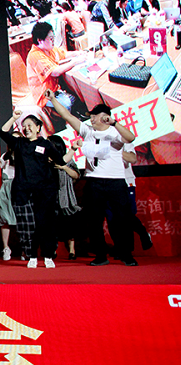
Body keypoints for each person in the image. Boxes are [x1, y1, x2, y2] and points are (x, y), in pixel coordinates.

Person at [48, 92, 138, 266]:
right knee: (94, 221)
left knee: (121, 219)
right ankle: (101, 256)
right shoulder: (87, 131)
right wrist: (52, 99)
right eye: (91, 116)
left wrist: (115, 123)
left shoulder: (115, 132)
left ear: (104, 117)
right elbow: (67, 116)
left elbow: (131, 137)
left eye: (94, 116)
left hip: (116, 181)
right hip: (94, 181)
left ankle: (126, 254)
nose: (92, 118)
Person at [0, 110, 66, 269]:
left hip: (44, 191)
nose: (26, 128)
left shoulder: (45, 144)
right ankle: (31, 255)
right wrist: (14, 117)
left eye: (30, 125)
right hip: (23, 190)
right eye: (24, 126)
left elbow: (60, 160)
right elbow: (3, 132)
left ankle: (48, 255)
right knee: (28, 226)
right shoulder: (19, 143)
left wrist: (74, 150)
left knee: (45, 224)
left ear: (38, 127)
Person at [26, 21, 88, 119]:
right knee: (67, 103)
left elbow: (63, 54)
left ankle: (76, 115)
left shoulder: (48, 49)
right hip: (44, 94)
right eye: (51, 39)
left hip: (55, 88)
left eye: (53, 37)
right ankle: (69, 122)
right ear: (40, 40)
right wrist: (75, 61)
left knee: (76, 95)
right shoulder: (35, 55)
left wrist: (77, 53)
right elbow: (55, 72)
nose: (53, 41)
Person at [48, 135, 82, 260]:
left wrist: (64, 167)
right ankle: (52, 250)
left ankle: (72, 251)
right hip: (51, 196)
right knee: (52, 225)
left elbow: (76, 175)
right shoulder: (45, 161)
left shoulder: (68, 160)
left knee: (69, 224)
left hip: (66, 197)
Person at [122, 144, 153, 252]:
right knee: (114, 216)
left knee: (127, 214)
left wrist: (112, 150)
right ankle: (125, 248)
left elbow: (132, 158)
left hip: (126, 181)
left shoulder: (124, 140)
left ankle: (142, 234)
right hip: (108, 182)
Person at [0, 139, 17, 260]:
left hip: (18, 187)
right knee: (4, 217)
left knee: (20, 219)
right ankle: (6, 248)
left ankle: (25, 249)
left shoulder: (23, 155)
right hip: (5, 188)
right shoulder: (5, 156)